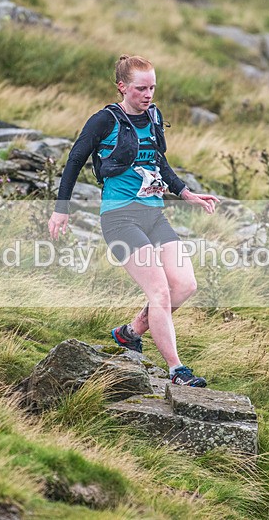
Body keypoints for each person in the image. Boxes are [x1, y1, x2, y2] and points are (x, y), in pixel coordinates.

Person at [48, 54, 220, 387]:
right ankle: (177, 370)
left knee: (185, 286)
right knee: (160, 292)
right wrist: (61, 208)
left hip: (153, 215)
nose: (148, 94)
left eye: (152, 87)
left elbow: (159, 162)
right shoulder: (103, 120)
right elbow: (73, 162)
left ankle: (129, 333)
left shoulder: (154, 116)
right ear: (122, 87)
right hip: (120, 218)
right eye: (141, 88)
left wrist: (186, 193)